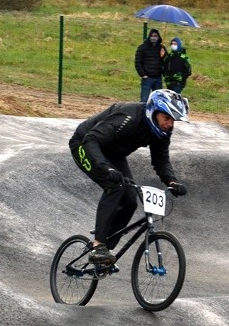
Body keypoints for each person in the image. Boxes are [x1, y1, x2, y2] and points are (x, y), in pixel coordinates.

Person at [68, 89, 189, 265]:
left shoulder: (161, 131)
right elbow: (91, 139)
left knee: (130, 200)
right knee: (115, 186)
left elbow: (161, 160)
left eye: (173, 120)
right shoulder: (129, 117)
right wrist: (106, 168)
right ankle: (97, 246)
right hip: (85, 144)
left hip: (113, 153)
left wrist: (172, 181)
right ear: (154, 112)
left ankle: (105, 252)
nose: (170, 124)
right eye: (167, 118)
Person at [135, 28, 165, 102]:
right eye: (152, 36)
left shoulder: (161, 48)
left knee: (158, 100)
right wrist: (143, 74)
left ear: (158, 37)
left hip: (158, 78)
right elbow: (138, 62)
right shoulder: (142, 47)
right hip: (147, 78)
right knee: (144, 100)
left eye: (155, 36)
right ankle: (142, 113)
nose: (153, 37)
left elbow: (165, 62)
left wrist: (163, 56)